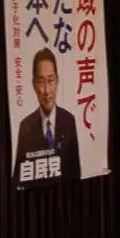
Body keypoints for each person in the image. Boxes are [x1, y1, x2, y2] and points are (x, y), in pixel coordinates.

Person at [12, 47, 81, 186]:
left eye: (50, 80)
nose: (46, 90)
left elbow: (75, 173)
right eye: (41, 81)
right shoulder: (25, 126)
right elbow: (19, 179)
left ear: (57, 81)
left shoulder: (69, 120)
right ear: (34, 85)